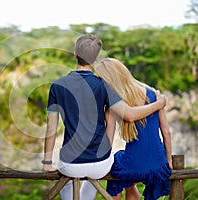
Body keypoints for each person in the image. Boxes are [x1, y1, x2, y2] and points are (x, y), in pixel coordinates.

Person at [42, 34, 167, 200]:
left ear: (75, 54)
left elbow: (51, 128)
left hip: (71, 164)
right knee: (91, 177)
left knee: (70, 184)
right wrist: (158, 105)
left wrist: (47, 163)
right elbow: (129, 115)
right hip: (100, 163)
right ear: (96, 58)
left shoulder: (57, 86)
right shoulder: (104, 85)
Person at [95, 58, 172, 200]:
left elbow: (108, 141)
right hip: (158, 164)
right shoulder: (155, 95)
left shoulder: (114, 104)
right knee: (129, 181)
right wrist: (168, 162)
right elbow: (166, 132)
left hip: (134, 164)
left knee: (117, 166)